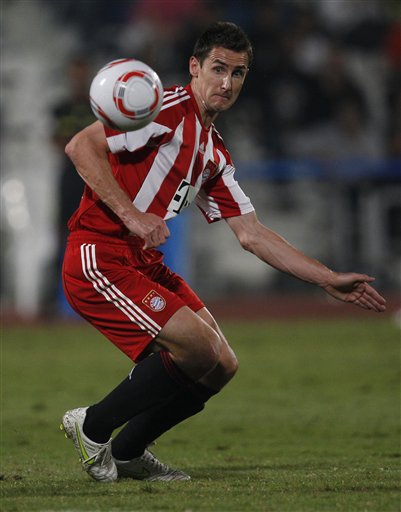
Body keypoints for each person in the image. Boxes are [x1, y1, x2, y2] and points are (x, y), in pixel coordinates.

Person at [60, 21, 386, 483]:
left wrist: (327, 278)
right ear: (194, 67)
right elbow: (80, 146)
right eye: (218, 69)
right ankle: (91, 426)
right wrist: (132, 215)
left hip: (143, 263)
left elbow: (251, 234)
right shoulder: (162, 109)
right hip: (100, 255)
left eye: (238, 73)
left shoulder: (212, 152)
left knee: (221, 366)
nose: (227, 83)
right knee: (197, 348)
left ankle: (129, 451)